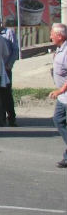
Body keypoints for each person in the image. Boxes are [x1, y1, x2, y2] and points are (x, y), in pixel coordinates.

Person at [0, 15, 20, 126]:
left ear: (0, 22)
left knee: (7, 93)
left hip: (6, 68)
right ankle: (1, 117)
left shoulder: (8, 33)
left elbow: (15, 50)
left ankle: (11, 117)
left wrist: (9, 64)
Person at [49, 23, 67, 168]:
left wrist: (60, 90)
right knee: (59, 120)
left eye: (52, 34)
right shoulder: (60, 49)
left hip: (64, 94)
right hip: (63, 96)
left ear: (59, 36)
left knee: (59, 120)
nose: (50, 37)